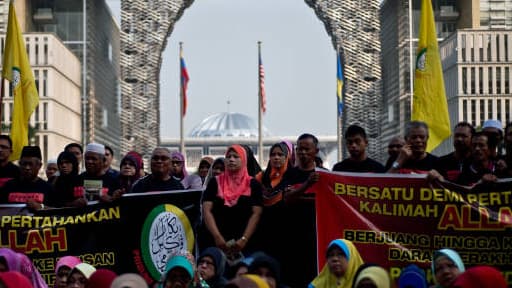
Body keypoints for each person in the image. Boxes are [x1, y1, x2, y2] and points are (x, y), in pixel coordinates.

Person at [200, 144, 263, 263]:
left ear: (243, 160)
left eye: (236, 156)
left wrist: (244, 239)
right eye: (228, 156)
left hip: (245, 244)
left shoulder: (253, 184)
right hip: (217, 242)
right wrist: (218, 237)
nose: (231, 159)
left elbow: (256, 213)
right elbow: (206, 210)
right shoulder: (215, 182)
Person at [0, 146, 53, 211]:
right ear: (19, 164)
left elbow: (60, 212)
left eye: (31, 164)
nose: (27, 168)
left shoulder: (48, 188)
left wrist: (41, 207)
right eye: (24, 164)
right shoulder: (8, 186)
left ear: (39, 166)